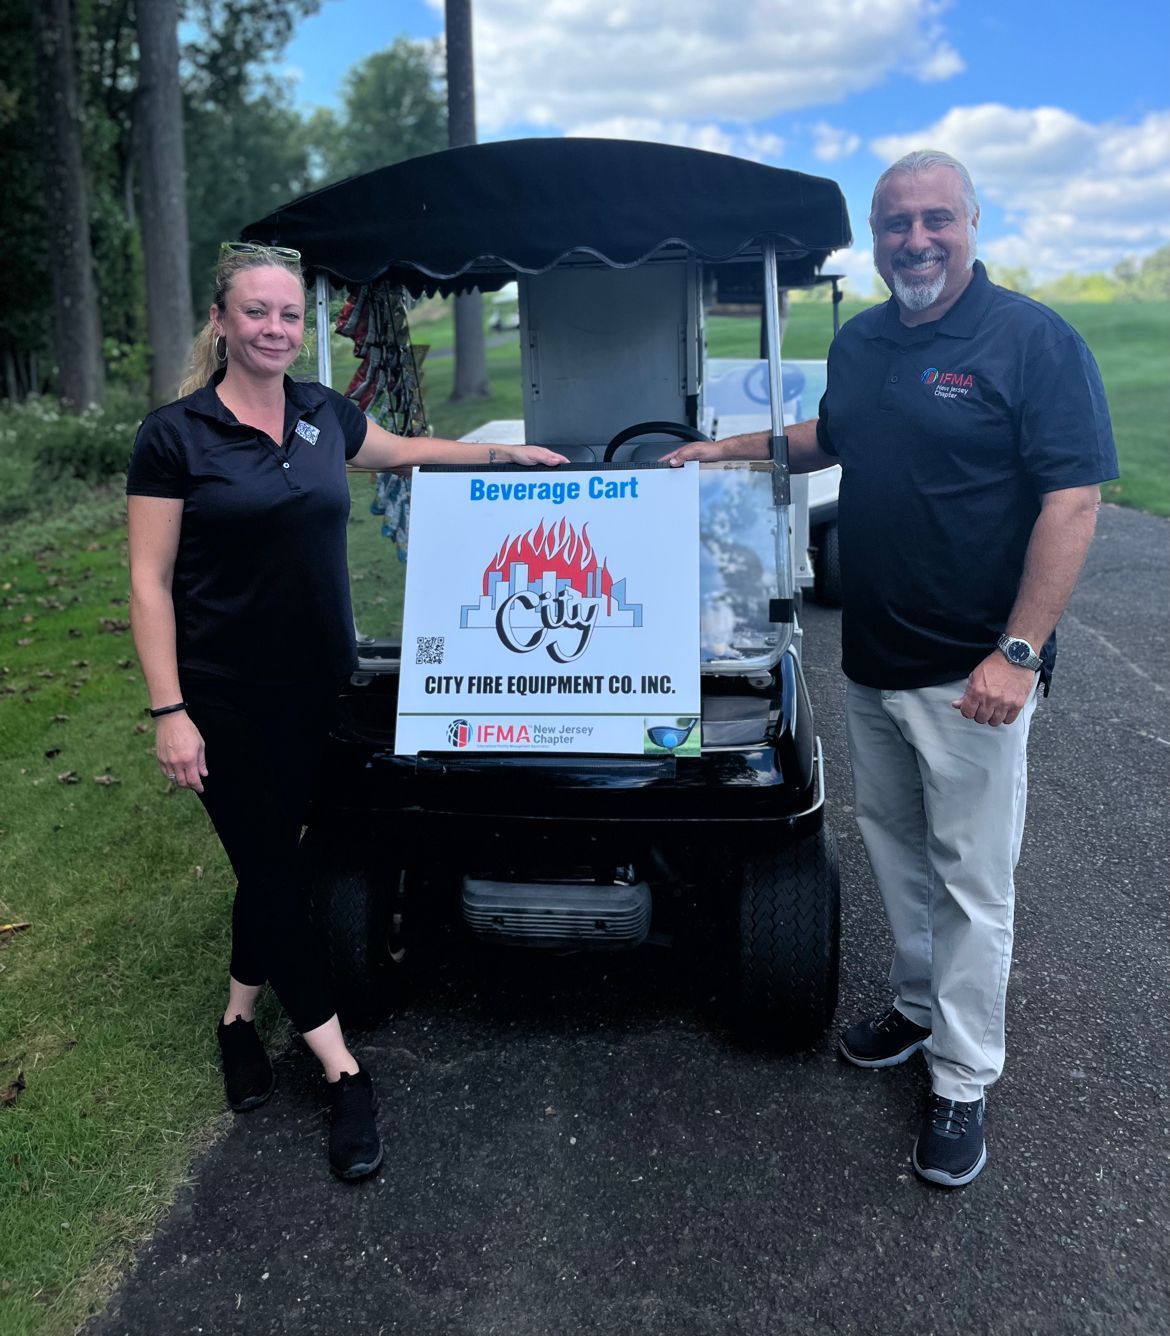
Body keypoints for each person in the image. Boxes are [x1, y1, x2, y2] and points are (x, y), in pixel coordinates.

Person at [662, 151, 1117, 1188]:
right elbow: (833, 434)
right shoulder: (864, 341)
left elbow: (1073, 502)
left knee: (973, 880)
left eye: (935, 221)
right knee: (899, 852)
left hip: (973, 676)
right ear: (876, 235)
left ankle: (961, 1080)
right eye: (895, 224)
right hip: (871, 655)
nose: (915, 241)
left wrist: (1018, 651)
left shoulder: (1032, 340)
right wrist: (722, 451)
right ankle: (918, 1011)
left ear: (971, 223)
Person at [127, 243, 567, 1182]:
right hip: (223, 695)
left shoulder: (325, 413)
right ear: (221, 321)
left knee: (276, 858)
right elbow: (149, 581)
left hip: (322, 686)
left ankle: (239, 1020)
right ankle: (341, 1067)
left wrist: (504, 453)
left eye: (289, 315)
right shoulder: (176, 435)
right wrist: (170, 708)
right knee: (273, 872)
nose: (275, 329)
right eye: (256, 313)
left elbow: (404, 452)